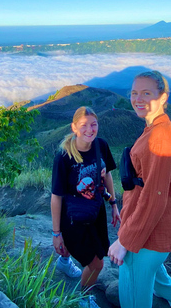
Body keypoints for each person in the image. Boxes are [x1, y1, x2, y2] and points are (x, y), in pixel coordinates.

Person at [108, 71, 171, 308]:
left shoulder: (160, 137)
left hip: (146, 238)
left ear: (163, 97)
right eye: (134, 93)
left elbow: (155, 197)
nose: (138, 99)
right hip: (154, 230)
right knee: (156, 274)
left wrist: (125, 241)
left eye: (146, 93)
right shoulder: (154, 127)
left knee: (132, 299)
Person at [51, 106, 121, 307]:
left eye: (94, 124)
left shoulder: (100, 146)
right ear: (74, 127)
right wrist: (57, 233)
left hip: (95, 212)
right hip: (73, 218)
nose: (90, 130)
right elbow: (56, 197)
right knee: (97, 264)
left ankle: (64, 262)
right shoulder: (64, 157)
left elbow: (107, 174)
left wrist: (113, 204)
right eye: (84, 125)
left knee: (99, 251)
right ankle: (83, 298)